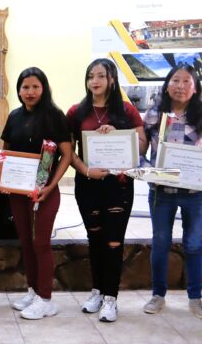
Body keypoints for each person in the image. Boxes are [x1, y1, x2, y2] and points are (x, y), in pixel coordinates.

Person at [66, 58, 146, 322]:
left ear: (112, 79)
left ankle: (111, 298)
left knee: (114, 241)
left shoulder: (126, 111)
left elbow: (142, 145)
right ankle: (97, 291)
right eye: (91, 76)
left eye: (101, 76)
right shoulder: (76, 111)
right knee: (95, 239)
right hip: (87, 184)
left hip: (118, 186)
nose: (95, 81)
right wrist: (86, 170)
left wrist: (120, 134)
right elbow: (69, 153)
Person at [0, 67, 72, 320]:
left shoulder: (54, 115)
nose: (29, 92)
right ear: (18, 90)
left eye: (35, 87)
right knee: (26, 242)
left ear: (44, 88)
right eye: (25, 87)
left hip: (45, 191)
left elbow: (67, 153)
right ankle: (33, 290)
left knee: (41, 242)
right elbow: (5, 149)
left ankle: (46, 299)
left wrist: (51, 185)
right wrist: (4, 177)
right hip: (18, 190)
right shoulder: (15, 116)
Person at [141, 64, 202, 319]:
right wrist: (147, 170)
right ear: (167, 84)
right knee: (160, 242)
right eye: (175, 80)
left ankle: (196, 297)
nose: (180, 86)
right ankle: (158, 295)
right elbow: (140, 148)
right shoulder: (155, 114)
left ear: (195, 87)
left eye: (186, 81)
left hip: (195, 193)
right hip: (161, 191)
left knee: (195, 244)